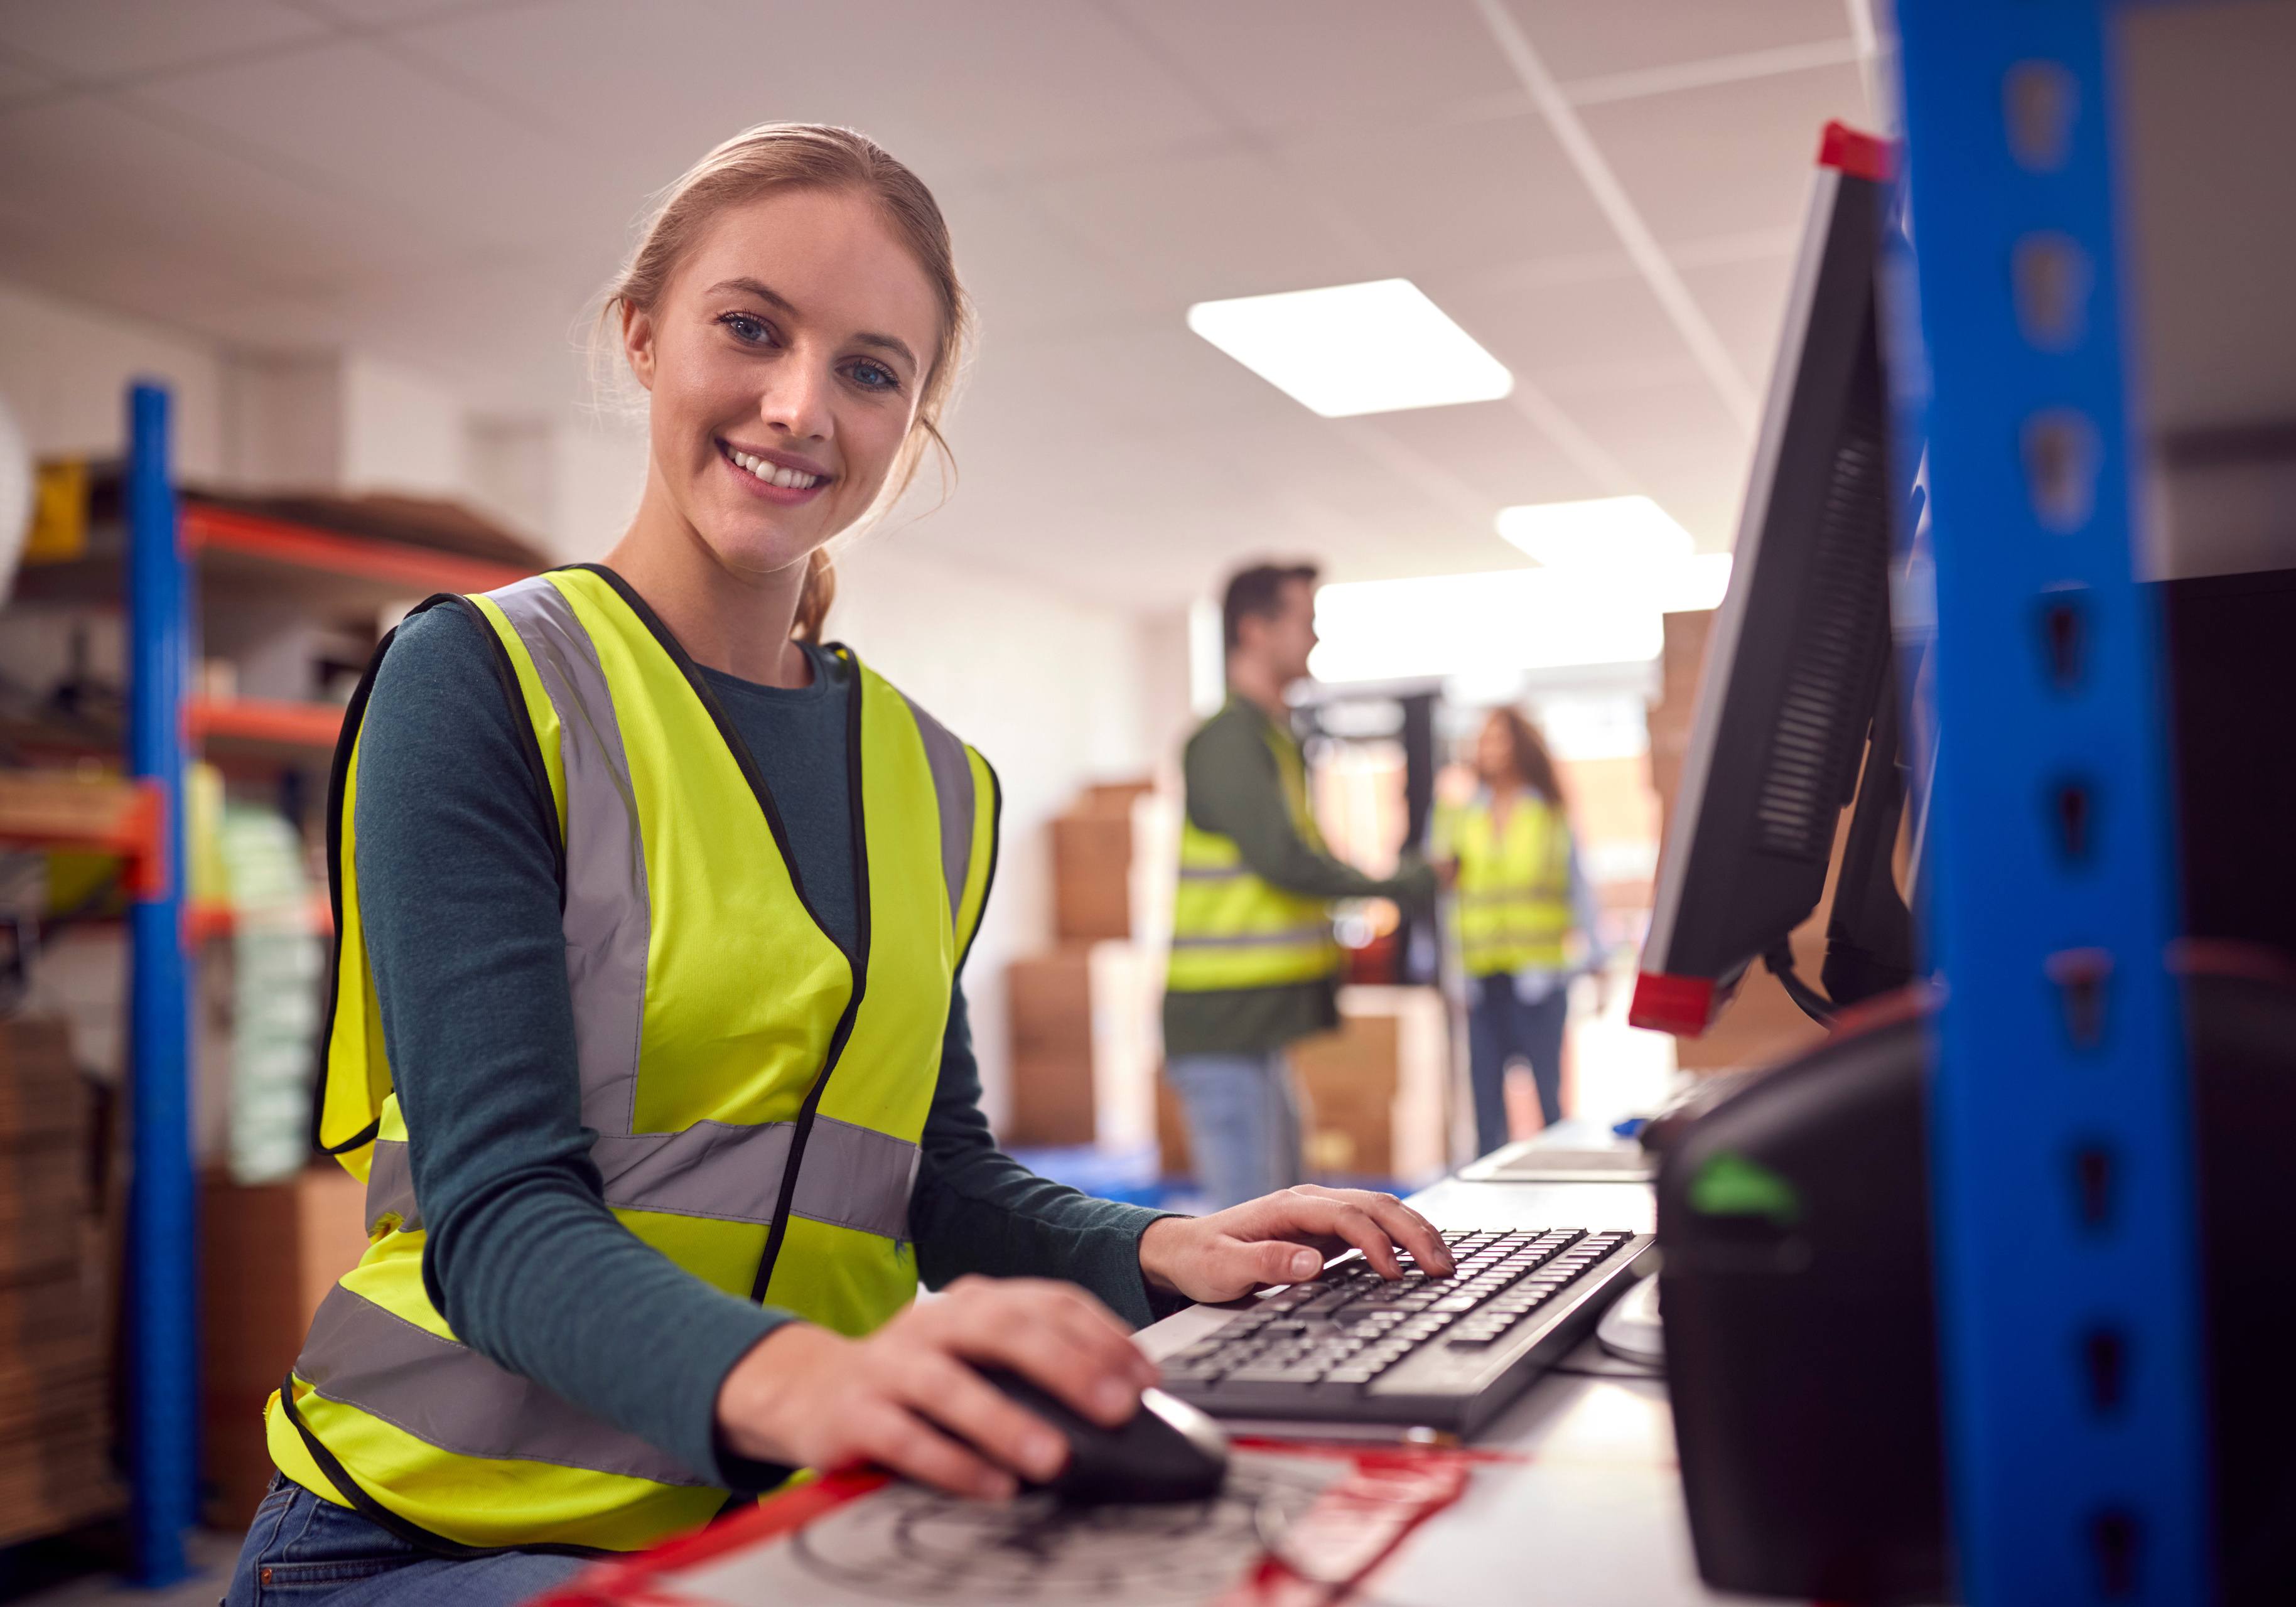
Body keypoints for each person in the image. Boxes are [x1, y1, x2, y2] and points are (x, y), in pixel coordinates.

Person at [227, 126, 1453, 1606]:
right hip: (422, 1532)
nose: (800, 404)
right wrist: (811, 1379)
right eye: (750, 329)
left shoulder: (933, 780)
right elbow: (495, 1215)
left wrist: (1162, 1245)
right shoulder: (481, 681)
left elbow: (929, 1175)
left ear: (910, 420)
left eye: (871, 369)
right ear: (641, 334)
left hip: (773, 1529)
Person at [1163, 562, 1436, 1211]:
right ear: (1256, 631)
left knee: (1285, 1212)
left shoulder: (1270, 739)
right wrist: (1398, 884)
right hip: (1224, 1029)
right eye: (1304, 623)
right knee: (1253, 1232)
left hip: (1254, 1031)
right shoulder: (1228, 741)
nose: (1314, 640)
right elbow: (1285, 861)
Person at [1442, 706, 1608, 1157]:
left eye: (1500, 738)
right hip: (1482, 979)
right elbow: (1444, 897)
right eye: (1484, 738)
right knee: (1486, 1110)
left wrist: (1598, 956)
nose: (1490, 747)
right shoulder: (1460, 817)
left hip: (1539, 979)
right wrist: (1444, 970)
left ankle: (1559, 1196)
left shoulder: (1548, 813)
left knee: (1550, 1101)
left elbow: (1578, 886)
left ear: (1521, 745)